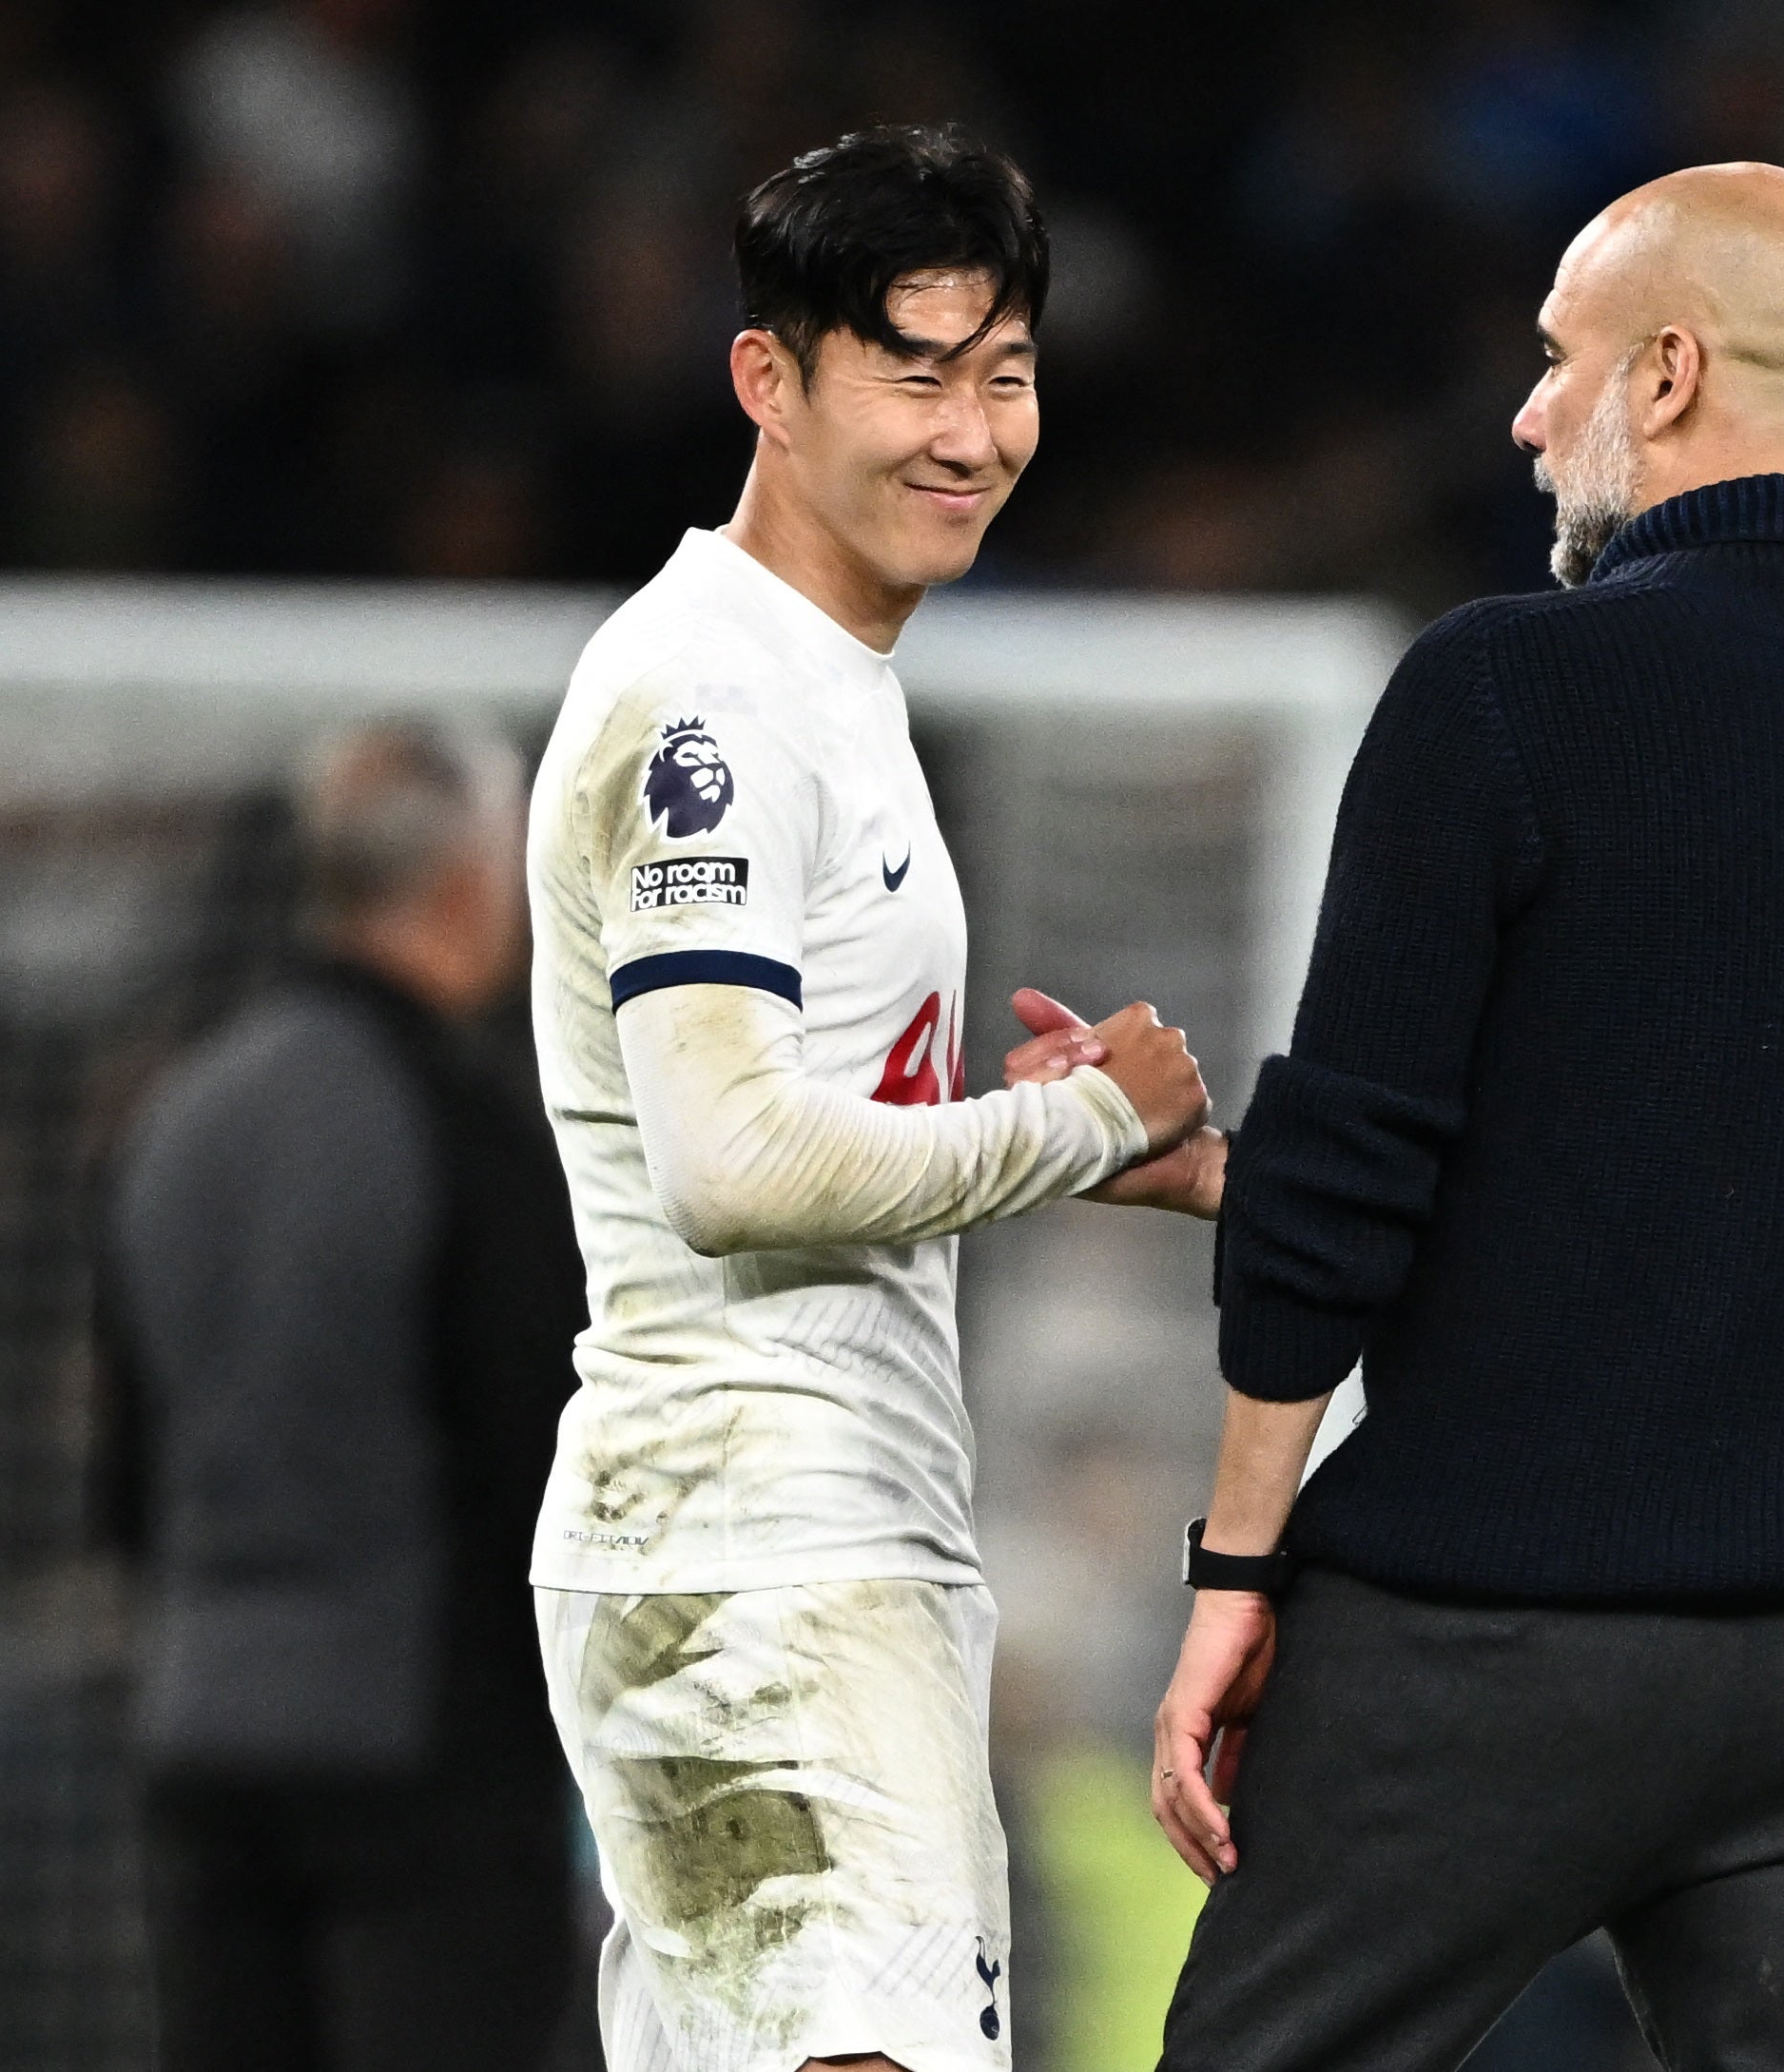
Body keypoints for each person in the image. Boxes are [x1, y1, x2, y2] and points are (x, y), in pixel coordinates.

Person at [1146, 163, 1784, 2072]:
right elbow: (1701, 1175)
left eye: (1556, 363)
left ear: (1666, 371)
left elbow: (1361, 1175)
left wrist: (1236, 1570)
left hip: (1491, 1632)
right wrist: (1229, 1173)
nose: (1526, 413)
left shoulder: (1500, 693)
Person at [522, 125, 1216, 2072]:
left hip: (783, 1545)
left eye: (1004, 375)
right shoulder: (714, 702)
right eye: (915, 369)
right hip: (758, 1550)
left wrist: (1079, 1154)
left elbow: (810, 1118)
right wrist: (1081, 1124)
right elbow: (731, 1162)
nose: (974, 432)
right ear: (769, 378)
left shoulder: (827, 679)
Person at [107, 722, 587, 2072]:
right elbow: (530, 1456)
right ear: (466, 884)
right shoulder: (464, 1123)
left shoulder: (178, 1115)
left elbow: (129, 1473)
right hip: (421, 1749)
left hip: (202, 1730)